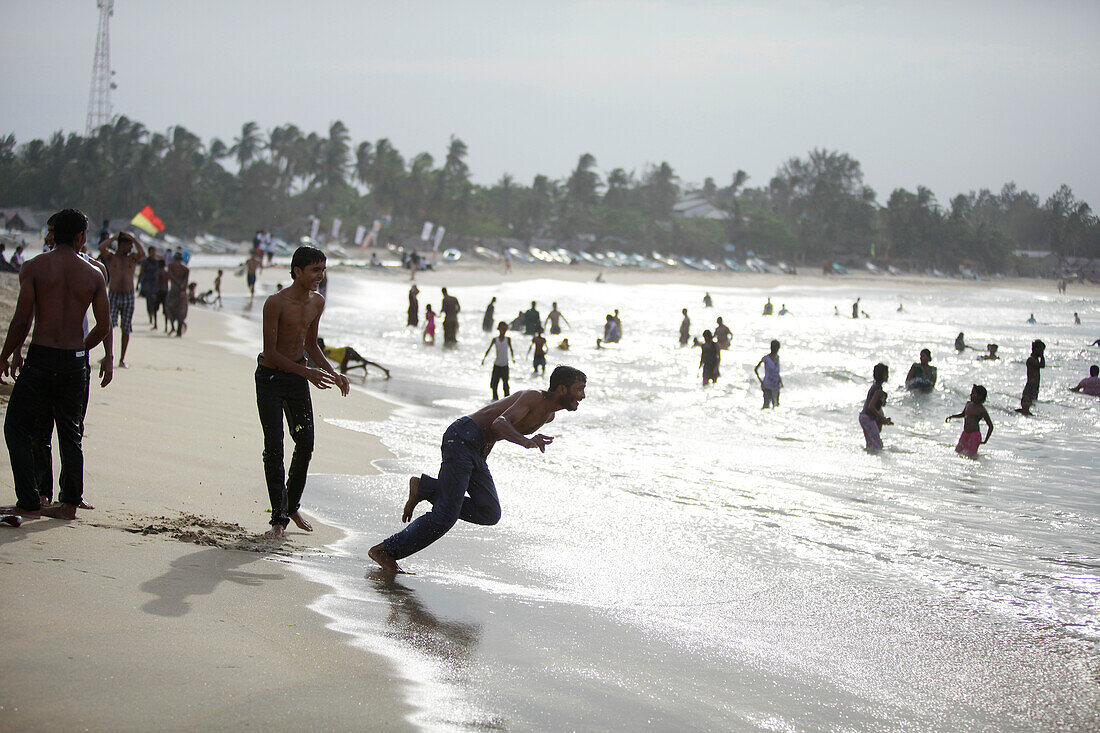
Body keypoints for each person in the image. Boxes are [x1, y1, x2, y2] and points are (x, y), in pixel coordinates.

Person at [368, 366, 587, 573]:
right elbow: (499, 423)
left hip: (477, 448)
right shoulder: (533, 397)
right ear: (562, 389)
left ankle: (426, 488)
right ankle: (385, 551)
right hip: (462, 437)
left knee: (489, 512)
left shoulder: (549, 416)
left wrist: (483, 456)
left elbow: (496, 434)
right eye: (579, 389)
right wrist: (526, 441)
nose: (583, 396)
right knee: (445, 516)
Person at [0, 209, 112, 522]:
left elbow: (22, 319)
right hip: (74, 362)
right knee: (70, 433)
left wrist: (6, 355)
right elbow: (103, 326)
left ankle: (29, 499)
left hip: (41, 357)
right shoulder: (94, 273)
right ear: (79, 237)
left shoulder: (34, 267)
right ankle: (69, 504)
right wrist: (79, 350)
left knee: (19, 428)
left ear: (53, 233)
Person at [255, 246, 350, 538]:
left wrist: (333, 372)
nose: (320, 276)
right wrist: (306, 372)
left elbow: (310, 345)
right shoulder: (275, 303)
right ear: (297, 271)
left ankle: (292, 504)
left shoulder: (317, 303)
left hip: (296, 378)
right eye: (314, 270)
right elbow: (271, 351)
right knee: (274, 447)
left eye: (323, 270)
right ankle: (278, 518)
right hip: (270, 378)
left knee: (305, 443)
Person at [100, 231, 146, 367]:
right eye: (129, 245)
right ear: (121, 245)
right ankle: (108, 355)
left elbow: (143, 253)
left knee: (126, 328)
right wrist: (113, 238)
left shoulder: (132, 258)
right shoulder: (111, 257)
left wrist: (134, 239)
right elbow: (101, 248)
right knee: (109, 326)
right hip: (114, 294)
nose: (131, 248)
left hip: (128, 295)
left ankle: (122, 359)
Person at [946, 385, 993, 458]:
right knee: (958, 452)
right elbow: (963, 414)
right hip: (965, 433)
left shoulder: (982, 410)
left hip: (974, 436)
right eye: (971, 393)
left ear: (980, 397)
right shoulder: (968, 404)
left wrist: (985, 440)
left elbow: (990, 426)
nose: (971, 395)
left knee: (970, 456)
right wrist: (952, 416)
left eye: (973, 393)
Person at [859, 363, 892, 452]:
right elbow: (871, 407)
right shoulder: (878, 390)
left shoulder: (875, 387)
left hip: (864, 417)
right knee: (878, 446)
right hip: (867, 417)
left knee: (870, 445)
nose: (888, 375)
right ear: (882, 375)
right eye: (886, 373)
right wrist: (882, 418)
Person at [481, 321, 514, 400]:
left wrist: (513, 359)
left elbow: (511, 349)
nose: (503, 331)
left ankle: (507, 400)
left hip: (505, 365)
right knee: (494, 384)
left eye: (505, 329)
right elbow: (489, 349)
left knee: (505, 384)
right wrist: (484, 359)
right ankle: (495, 400)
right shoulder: (495, 340)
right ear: (499, 329)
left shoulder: (508, 339)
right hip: (497, 365)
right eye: (502, 329)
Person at [1016, 339, 1046, 415]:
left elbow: (1042, 365)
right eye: (1040, 350)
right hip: (1030, 386)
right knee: (1026, 407)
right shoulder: (1031, 360)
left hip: (1035, 386)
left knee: (1032, 405)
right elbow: (1041, 365)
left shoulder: (1035, 360)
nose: (1041, 352)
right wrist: (1042, 355)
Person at [165, 252, 189, 337]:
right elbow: (185, 282)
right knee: (178, 310)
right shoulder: (184, 269)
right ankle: (175, 328)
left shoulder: (173, 267)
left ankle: (176, 329)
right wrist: (182, 288)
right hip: (179, 291)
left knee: (173, 309)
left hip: (175, 291)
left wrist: (179, 286)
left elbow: (170, 276)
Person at [754, 340, 782, 407]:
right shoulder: (766, 358)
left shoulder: (777, 358)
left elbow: (776, 371)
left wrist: (780, 380)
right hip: (767, 385)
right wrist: (761, 382)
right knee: (766, 404)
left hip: (776, 385)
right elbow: (756, 369)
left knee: (776, 404)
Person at [138, 245, 159, 325]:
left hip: (156, 284)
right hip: (147, 284)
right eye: (152, 252)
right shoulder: (145, 262)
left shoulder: (157, 262)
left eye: (155, 252)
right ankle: (151, 317)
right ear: (149, 252)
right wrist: (138, 284)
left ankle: (154, 317)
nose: (153, 253)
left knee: (155, 302)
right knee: (149, 302)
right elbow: (141, 272)